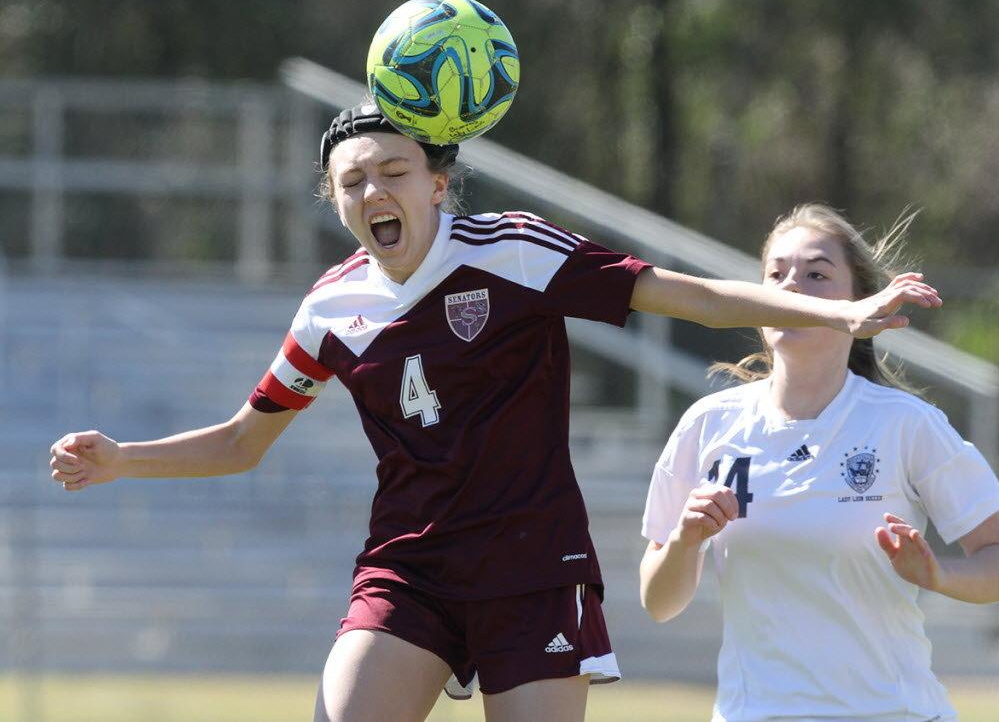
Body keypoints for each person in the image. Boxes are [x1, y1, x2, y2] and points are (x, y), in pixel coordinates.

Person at [49, 108, 941, 722]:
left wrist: (842, 314)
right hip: (411, 572)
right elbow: (245, 439)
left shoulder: (513, 249)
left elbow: (696, 297)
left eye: (393, 170)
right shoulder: (331, 307)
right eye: (351, 181)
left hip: (532, 569)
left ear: (439, 183)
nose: (372, 192)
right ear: (337, 202)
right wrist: (124, 458)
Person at [640, 203, 999, 722]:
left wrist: (938, 575)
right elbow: (658, 602)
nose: (791, 288)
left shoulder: (906, 425)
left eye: (816, 274)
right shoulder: (708, 425)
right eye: (776, 275)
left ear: (859, 304)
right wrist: (686, 542)